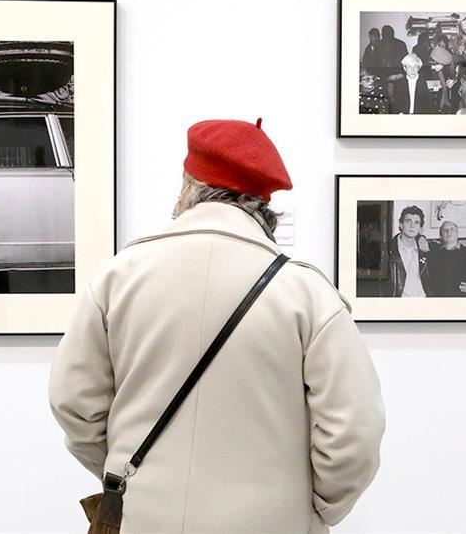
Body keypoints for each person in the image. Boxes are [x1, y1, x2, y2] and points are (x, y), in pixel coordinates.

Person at [49, 119, 384, 533]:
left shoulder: (120, 277)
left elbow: (74, 404)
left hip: (144, 518)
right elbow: (354, 434)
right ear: (262, 204)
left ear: (189, 187)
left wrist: (128, 471)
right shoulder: (306, 293)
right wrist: (311, 509)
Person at [387, 205, 429, 297]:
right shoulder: (388, 250)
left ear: (420, 228)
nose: (412, 225)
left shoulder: (426, 249)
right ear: (401, 225)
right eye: (408, 221)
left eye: (416, 222)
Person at [377, 25, 410, 114]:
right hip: (392, 79)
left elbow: (406, 62)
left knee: (392, 106)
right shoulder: (400, 44)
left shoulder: (379, 44)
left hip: (394, 79)